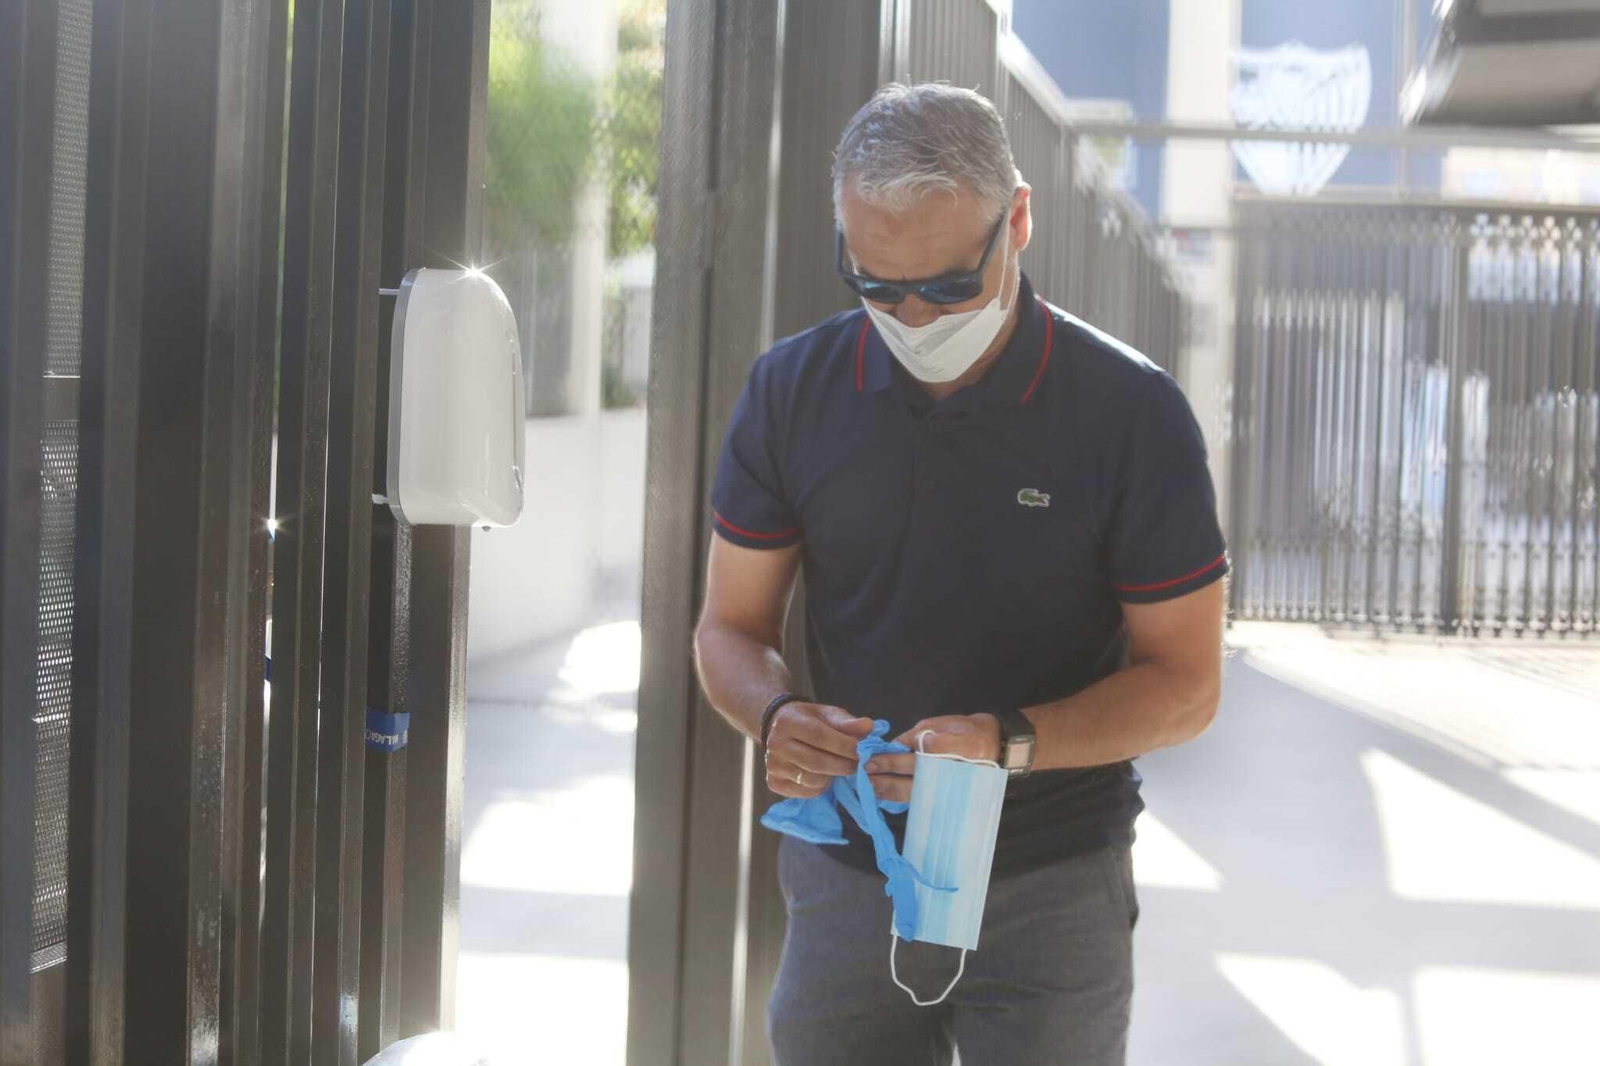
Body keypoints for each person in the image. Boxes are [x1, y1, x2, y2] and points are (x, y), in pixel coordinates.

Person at [693, 82, 1227, 1066]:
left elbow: (1187, 686)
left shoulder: (1130, 414)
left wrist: (1005, 743)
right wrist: (775, 716)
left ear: (1016, 220)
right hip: (846, 872)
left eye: (944, 287)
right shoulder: (790, 392)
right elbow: (728, 629)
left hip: (1051, 881)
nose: (909, 315)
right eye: (874, 282)